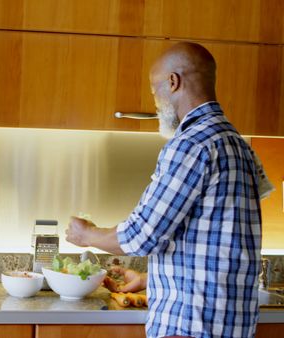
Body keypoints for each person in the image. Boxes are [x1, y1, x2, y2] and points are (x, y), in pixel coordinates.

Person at [66, 42, 266, 338]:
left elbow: (142, 235)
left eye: (153, 90)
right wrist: (150, 278)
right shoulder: (238, 145)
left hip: (190, 328)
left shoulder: (192, 143)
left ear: (173, 82)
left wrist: (87, 235)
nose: (155, 101)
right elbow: (215, 241)